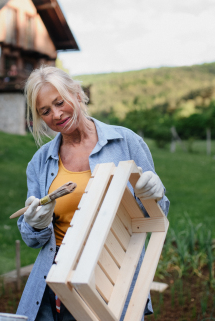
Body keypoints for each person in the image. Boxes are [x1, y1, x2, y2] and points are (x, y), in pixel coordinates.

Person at [16, 66, 170, 321]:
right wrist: (35, 224)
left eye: (59, 102)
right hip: (55, 284)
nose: (56, 114)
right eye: (45, 111)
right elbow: (32, 238)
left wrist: (154, 194)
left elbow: (156, 216)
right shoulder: (40, 162)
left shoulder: (126, 142)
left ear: (77, 94)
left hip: (112, 280)